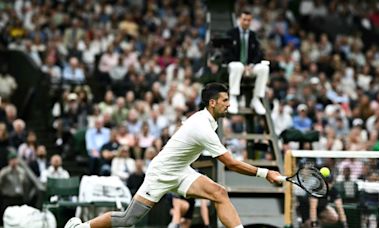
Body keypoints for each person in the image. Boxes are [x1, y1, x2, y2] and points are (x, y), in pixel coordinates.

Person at [65, 82, 282, 228]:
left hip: (181, 170)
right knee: (127, 219)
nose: (229, 104)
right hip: (161, 173)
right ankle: (81, 227)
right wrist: (266, 173)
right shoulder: (202, 127)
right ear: (212, 103)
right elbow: (230, 163)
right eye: (225, 100)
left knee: (219, 193)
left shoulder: (204, 120)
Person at [225, 10, 270, 115]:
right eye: (244, 19)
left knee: (264, 68)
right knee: (238, 66)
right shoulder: (231, 33)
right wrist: (242, 66)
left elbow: (258, 53)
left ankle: (256, 99)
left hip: (249, 67)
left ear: (251, 21)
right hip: (234, 65)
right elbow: (226, 53)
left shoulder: (253, 35)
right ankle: (233, 97)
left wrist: (251, 65)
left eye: (248, 20)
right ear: (240, 20)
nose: (246, 22)